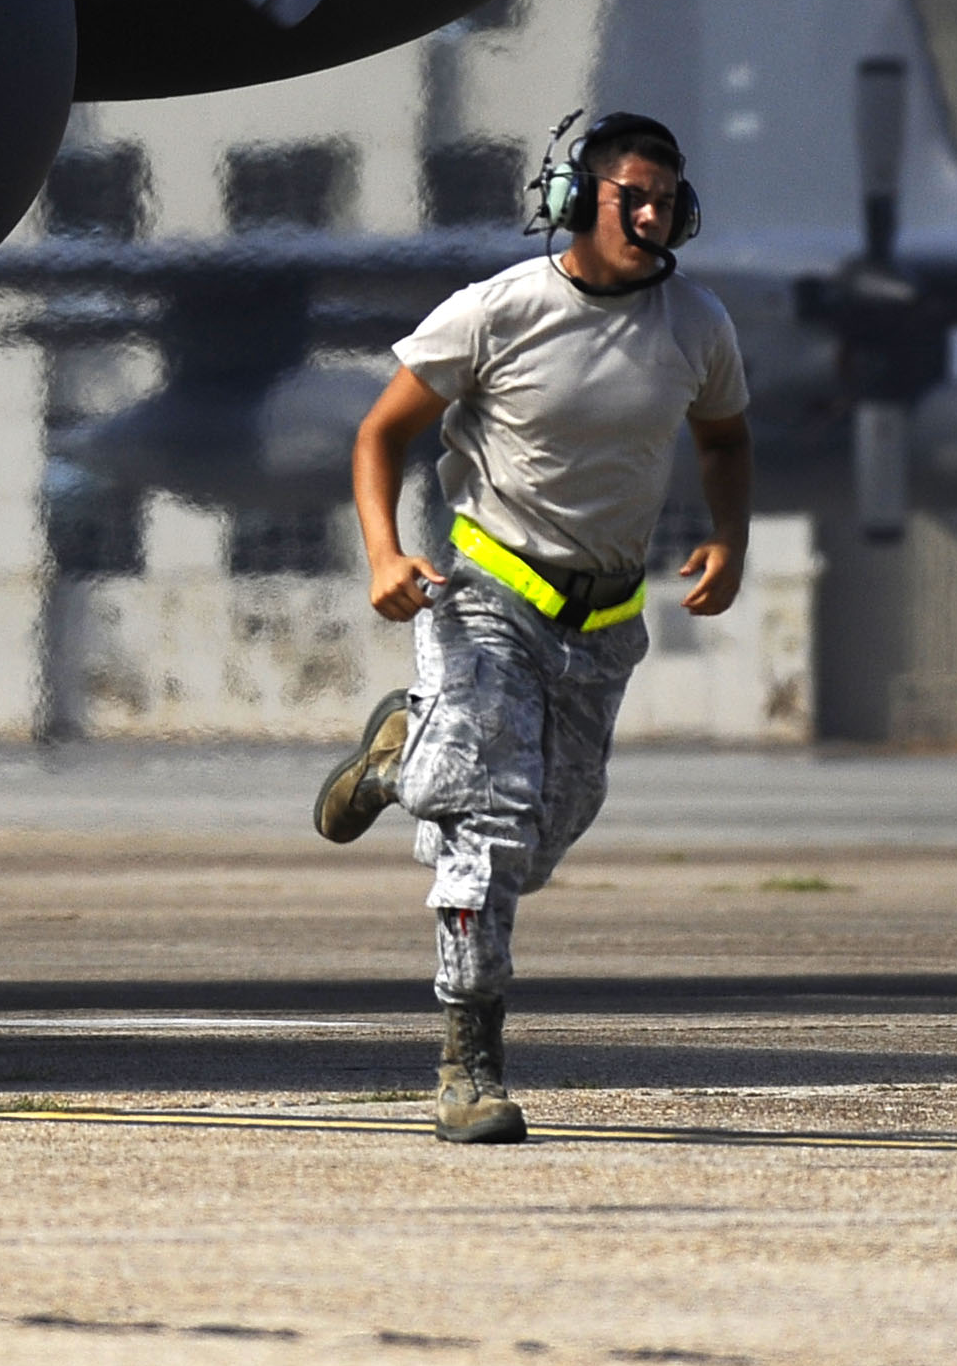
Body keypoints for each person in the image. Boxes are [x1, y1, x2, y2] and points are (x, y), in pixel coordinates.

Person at [314, 111, 751, 1144]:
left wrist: (728, 539)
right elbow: (381, 434)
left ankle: (395, 760)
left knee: (545, 832)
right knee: (490, 829)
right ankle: (469, 1067)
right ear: (572, 201)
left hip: (603, 620)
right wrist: (384, 554)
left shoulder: (697, 325)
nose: (652, 215)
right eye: (630, 195)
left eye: (666, 198)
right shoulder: (496, 313)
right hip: (489, 600)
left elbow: (725, 440)